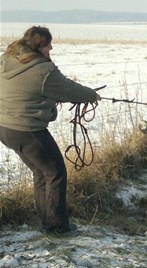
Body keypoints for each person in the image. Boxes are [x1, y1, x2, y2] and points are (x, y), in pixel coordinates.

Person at [0, 26, 100, 233]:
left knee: (41, 172)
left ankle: (47, 222)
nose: (51, 49)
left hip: (5, 127)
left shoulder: (7, 59)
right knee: (55, 173)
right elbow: (69, 89)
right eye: (48, 45)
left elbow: (27, 89)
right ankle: (57, 227)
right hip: (28, 130)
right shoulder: (43, 70)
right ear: (39, 46)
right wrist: (92, 95)